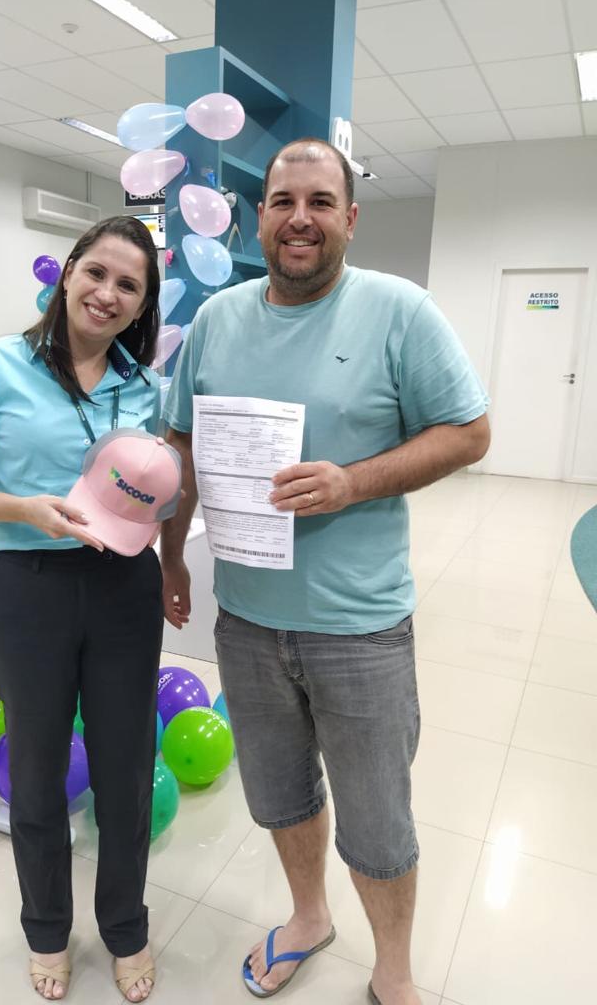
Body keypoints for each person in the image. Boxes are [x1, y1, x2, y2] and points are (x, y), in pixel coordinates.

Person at [161, 138, 490, 1005]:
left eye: (318, 202)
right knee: (279, 794)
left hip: (359, 626)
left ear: (349, 217)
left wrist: (353, 482)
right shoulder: (218, 319)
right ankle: (309, 918)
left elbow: (469, 433)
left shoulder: (400, 310)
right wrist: (171, 554)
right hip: (247, 618)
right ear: (258, 216)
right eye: (282, 201)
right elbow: (183, 446)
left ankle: (394, 969)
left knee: (378, 819)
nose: (299, 218)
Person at [0, 217, 165, 1003]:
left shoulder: (144, 386)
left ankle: (125, 927)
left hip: (124, 591)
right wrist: (24, 509)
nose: (107, 293)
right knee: (35, 772)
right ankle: (46, 931)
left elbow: (149, 491)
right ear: (67, 274)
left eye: (128, 285)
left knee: (126, 771)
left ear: (141, 306)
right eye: (96, 272)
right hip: (28, 587)